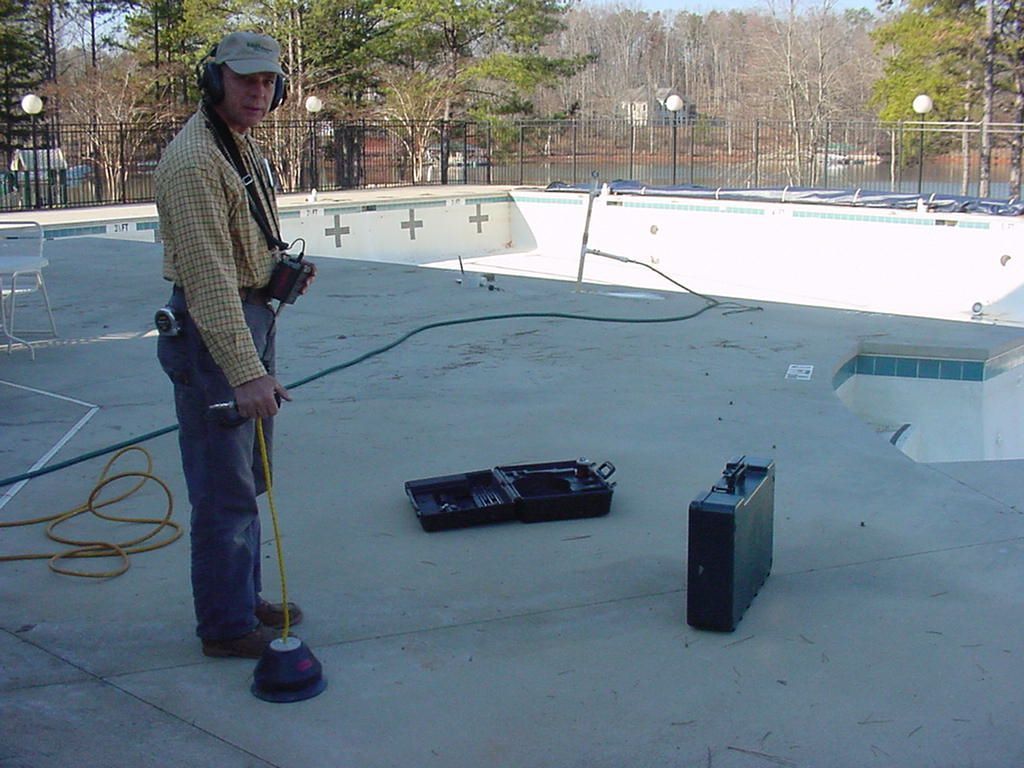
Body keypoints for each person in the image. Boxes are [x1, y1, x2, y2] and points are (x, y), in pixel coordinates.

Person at [155, 31, 314, 658]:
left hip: (248, 318)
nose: (258, 90)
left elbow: (238, 256)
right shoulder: (195, 162)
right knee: (224, 490)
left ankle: (241, 600)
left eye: (269, 80)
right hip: (215, 333)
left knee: (246, 479)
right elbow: (209, 285)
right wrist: (246, 372)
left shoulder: (233, 145)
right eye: (245, 78)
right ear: (213, 79)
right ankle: (226, 627)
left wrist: (276, 268)